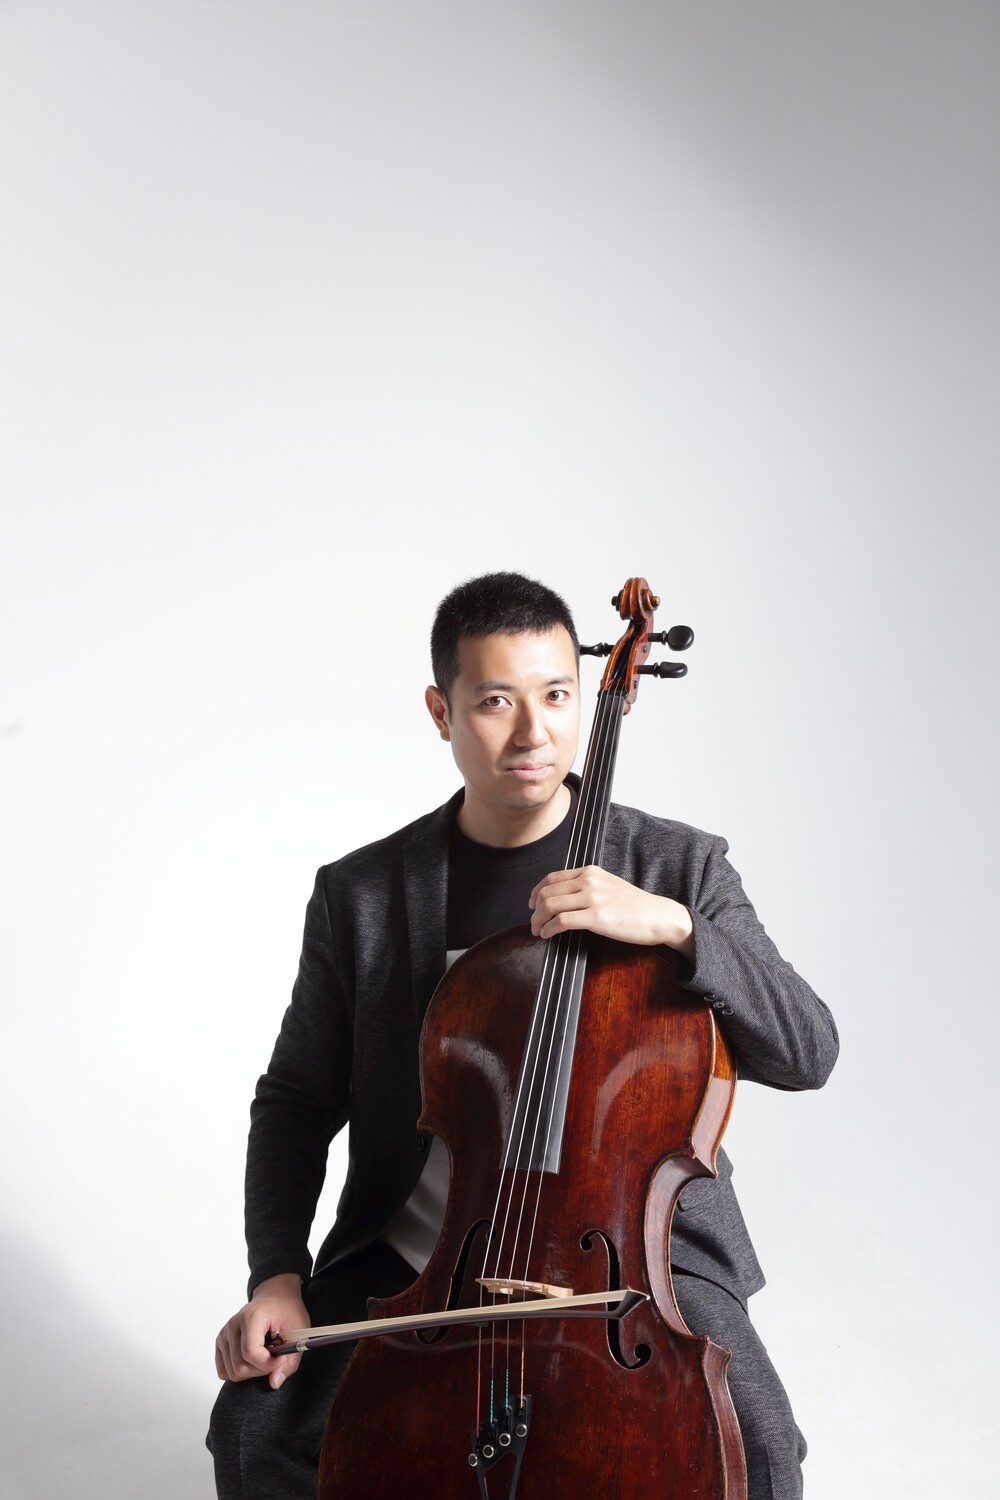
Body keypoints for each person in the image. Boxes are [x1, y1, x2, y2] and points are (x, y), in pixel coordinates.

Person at [209, 571, 838, 1499]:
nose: (533, 732)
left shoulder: (678, 867)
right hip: (428, 1262)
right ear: (442, 711)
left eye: (556, 695)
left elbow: (808, 1050)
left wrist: (676, 930)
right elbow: (296, 1101)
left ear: (587, 697)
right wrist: (276, 1274)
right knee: (256, 1425)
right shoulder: (364, 895)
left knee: (761, 1440)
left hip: (636, 1262)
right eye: (496, 701)